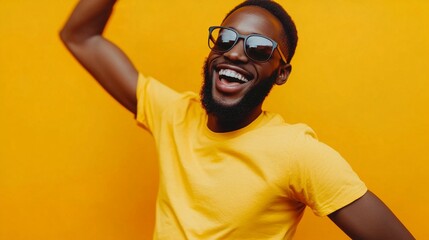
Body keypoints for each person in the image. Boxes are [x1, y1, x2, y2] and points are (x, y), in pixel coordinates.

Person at [60, 0, 414, 239]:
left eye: (258, 48)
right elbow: (81, 37)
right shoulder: (174, 115)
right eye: (226, 39)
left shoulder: (297, 153)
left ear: (281, 73)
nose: (233, 52)